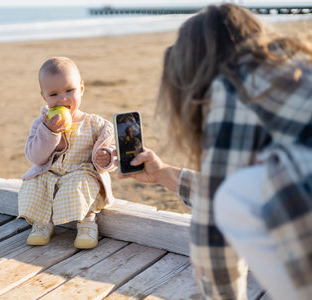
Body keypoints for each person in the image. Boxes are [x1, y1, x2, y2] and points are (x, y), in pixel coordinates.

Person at [116, 4, 312, 300]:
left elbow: (214, 226)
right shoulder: (296, 70)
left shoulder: (234, 88)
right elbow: (228, 186)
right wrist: (163, 175)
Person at [18, 56, 115, 249]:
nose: (63, 99)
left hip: (80, 172)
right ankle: (42, 222)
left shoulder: (95, 124)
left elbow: (110, 154)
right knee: (34, 182)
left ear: (81, 88)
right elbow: (35, 157)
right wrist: (50, 131)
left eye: (69, 90)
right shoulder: (41, 124)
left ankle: (87, 222)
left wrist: (106, 158)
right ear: (44, 97)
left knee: (82, 183)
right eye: (54, 94)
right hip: (51, 173)